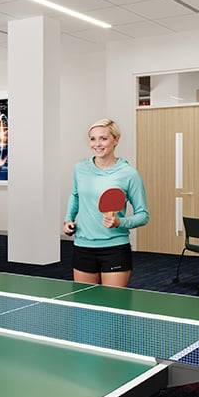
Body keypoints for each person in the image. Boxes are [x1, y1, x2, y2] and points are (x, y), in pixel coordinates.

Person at [61, 118, 149, 288]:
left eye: (103, 138)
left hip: (115, 249)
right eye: (93, 139)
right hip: (83, 246)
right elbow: (75, 195)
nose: (97, 144)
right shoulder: (80, 168)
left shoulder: (129, 174)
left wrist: (120, 222)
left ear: (116, 140)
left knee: (113, 305)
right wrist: (68, 219)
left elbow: (143, 215)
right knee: (83, 305)